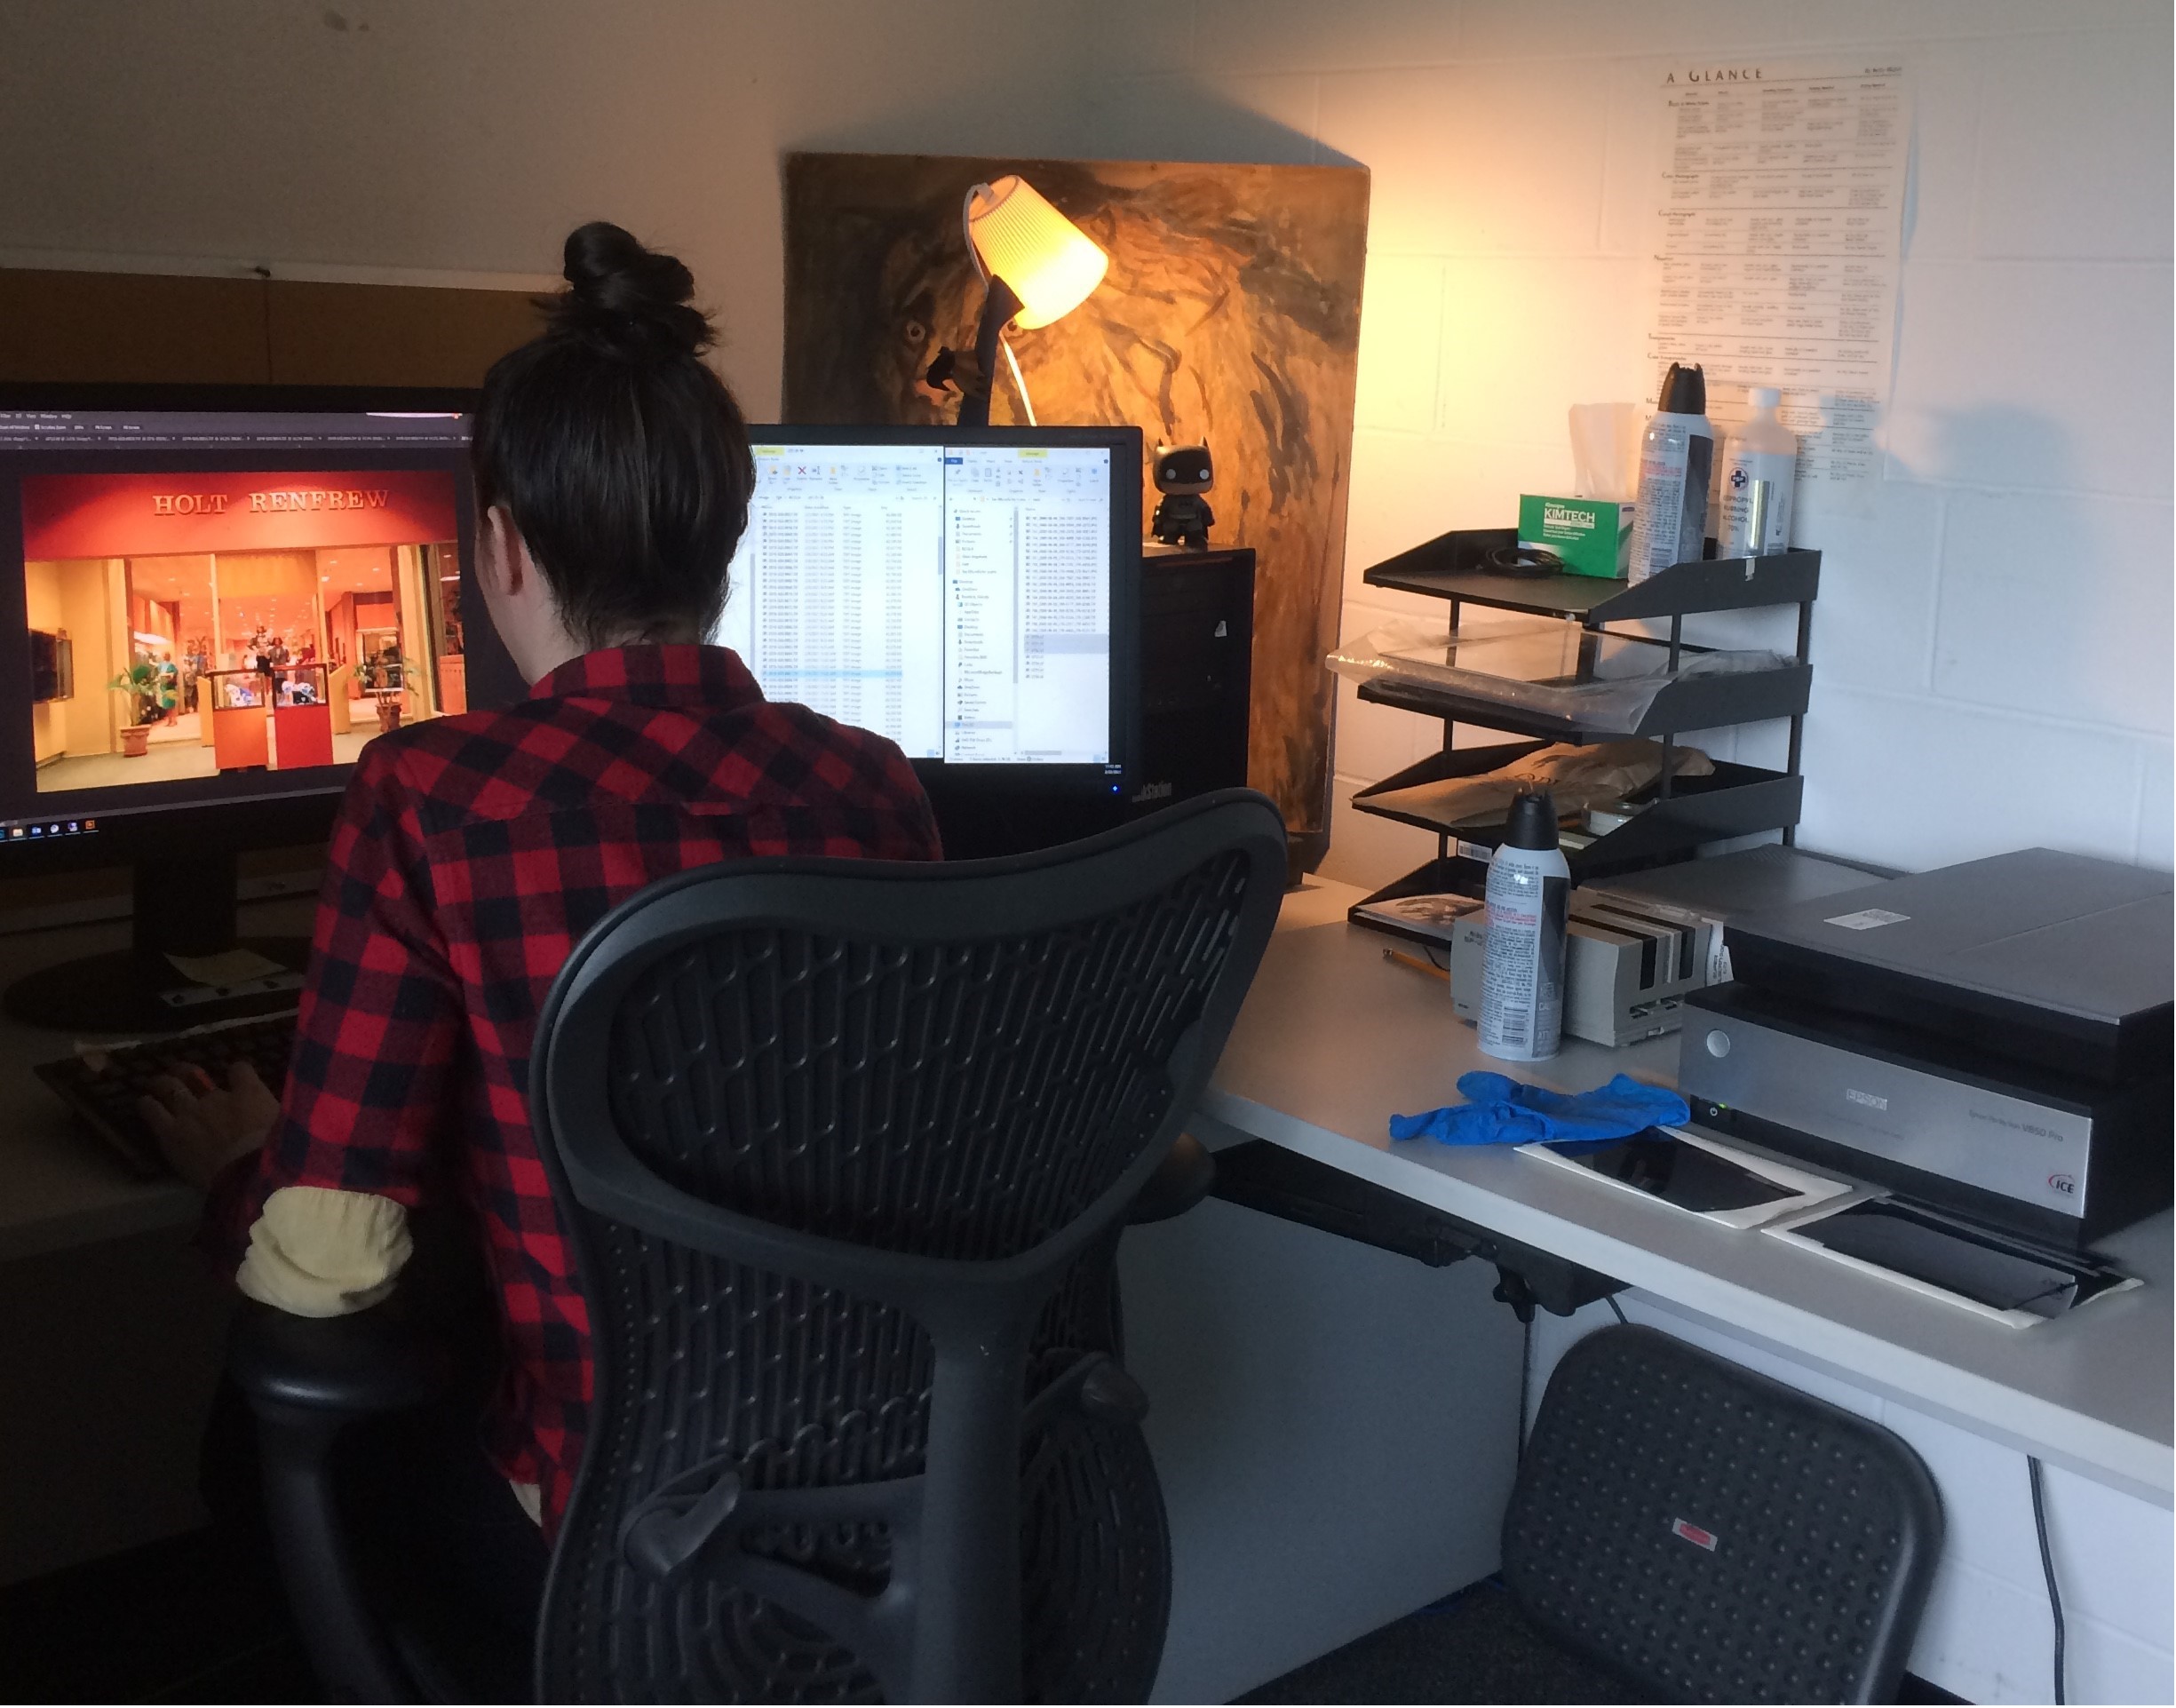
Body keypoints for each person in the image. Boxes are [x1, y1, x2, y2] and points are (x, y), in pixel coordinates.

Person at [139, 223, 942, 1602]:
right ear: (730, 539)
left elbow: (323, 1269)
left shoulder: (436, 797)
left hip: (612, 1520)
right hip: (891, 1492)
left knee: (253, 1439)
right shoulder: (872, 787)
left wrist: (236, 1168)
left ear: (498, 545)